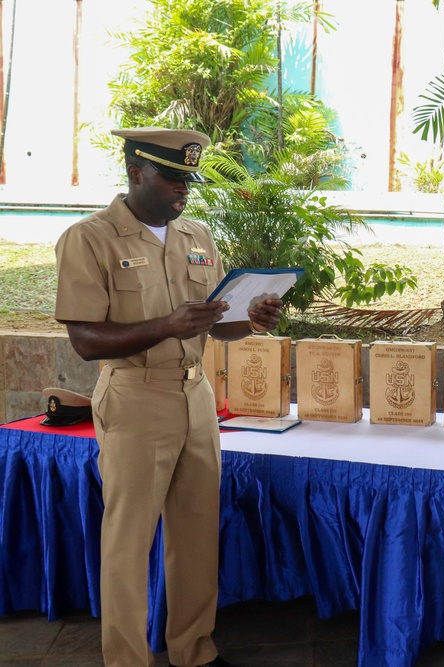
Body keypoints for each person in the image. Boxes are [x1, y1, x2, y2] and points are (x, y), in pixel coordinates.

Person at [54, 127, 282, 667]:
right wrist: (167, 324)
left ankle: (193, 650)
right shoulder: (89, 239)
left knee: (197, 533)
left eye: (188, 179)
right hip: (135, 398)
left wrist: (249, 321)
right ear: (136, 173)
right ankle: (128, 659)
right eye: (172, 177)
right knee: (129, 543)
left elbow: (215, 325)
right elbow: (85, 341)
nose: (184, 189)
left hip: (195, 397)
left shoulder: (197, 235)